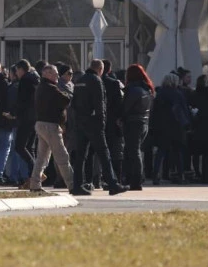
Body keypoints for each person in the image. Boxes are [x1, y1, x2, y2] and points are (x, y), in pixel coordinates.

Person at [71, 59, 127, 196]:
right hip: (94, 123)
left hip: (80, 122)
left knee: (81, 156)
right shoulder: (96, 80)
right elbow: (100, 103)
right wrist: (101, 123)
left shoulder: (79, 80)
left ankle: (77, 185)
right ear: (100, 69)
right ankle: (113, 184)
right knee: (104, 154)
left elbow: (74, 103)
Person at [29, 64, 75, 193]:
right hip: (50, 126)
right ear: (46, 74)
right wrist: (67, 92)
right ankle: (72, 184)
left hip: (41, 125)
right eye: (54, 74)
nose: (57, 76)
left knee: (42, 157)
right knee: (62, 156)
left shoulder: (41, 87)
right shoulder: (50, 88)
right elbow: (66, 100)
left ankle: (35, 183)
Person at [151, 72, 190, 184]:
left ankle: (155, 175)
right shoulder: (178, 94)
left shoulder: (160, 94)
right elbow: (183, 110)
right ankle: (180, 175)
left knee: (161, 152)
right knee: (178, 152)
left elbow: (155, 112)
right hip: (176, 126)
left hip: (162, 126)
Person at [121, 64, 155, 190]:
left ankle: (135, 180)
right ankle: (136, 179)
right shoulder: (147, 89)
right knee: (136, 151)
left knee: (133, 152)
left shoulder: (132, 90)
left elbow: (126, 107)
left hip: (133, 123)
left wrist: (121, 117)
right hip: (144, 122)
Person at [12, 59, 41, 186]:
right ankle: (33, 177)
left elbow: (22, 101)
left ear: (21, 69)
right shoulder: (36, 79)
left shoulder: (25, 81)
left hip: (26, 118)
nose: (16, 73)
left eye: (17, 70)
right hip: (35, 117)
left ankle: (35, 172)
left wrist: (14, 113)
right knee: (30, 147)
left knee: (19, 146)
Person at [102, 59, 126, 182]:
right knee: (115, 152)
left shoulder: (94, 81)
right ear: (109, 69)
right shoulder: (114, 84)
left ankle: (99, 178)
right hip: (112, 122)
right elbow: (119, 104)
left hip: (98, 122)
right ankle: (115, 178)